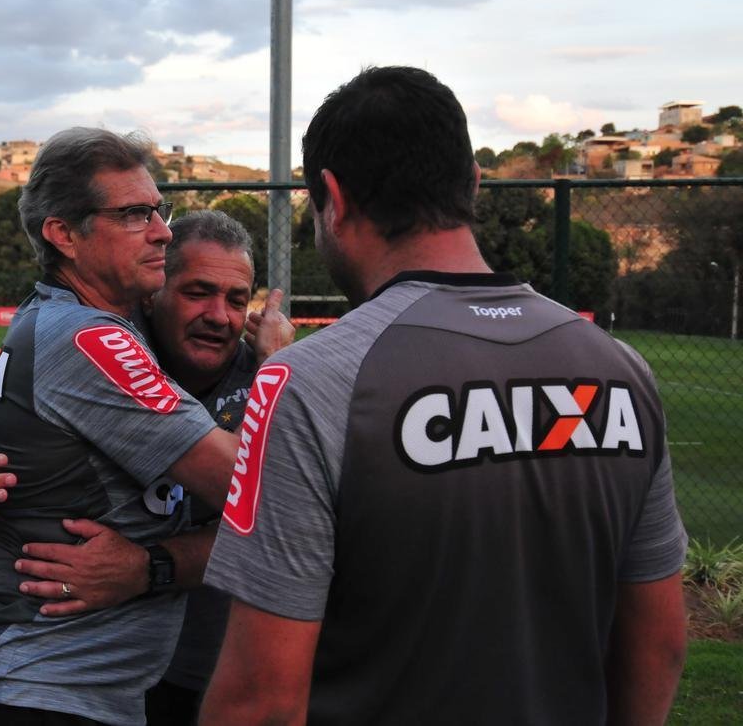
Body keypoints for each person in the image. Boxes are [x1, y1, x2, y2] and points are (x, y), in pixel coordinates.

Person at [198, 66, 689, 725]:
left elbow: (261, 699)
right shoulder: (621, 371)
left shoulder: (306, 384)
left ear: (333, 199)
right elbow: (658, 644)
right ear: (473, 186)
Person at [0, 128, 280, 726]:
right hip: (30, 688)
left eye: (158, 211)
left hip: (62, 688)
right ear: (62, 234)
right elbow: (258, 494)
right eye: (135, 214)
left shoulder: (90, 322)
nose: (162, 230)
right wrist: (276, 370)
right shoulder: (90, 339)